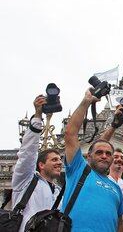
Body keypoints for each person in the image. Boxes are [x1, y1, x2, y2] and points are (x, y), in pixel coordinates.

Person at [63, 89, 123, 231]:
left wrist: (114, 126)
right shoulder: (78, 170)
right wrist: (86, 102)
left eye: (108, 154)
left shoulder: (116, 187)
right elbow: (70, 133)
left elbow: (120, 223)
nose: (104, 156)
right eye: (99, 152)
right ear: (88, 156)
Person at [11, 95, 63, 232]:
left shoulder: (59, 192)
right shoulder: (26, 180)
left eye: (60, 159)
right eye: (54, 159)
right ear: (41, 165)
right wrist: (38, 118)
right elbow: (27, 153)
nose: (59, 163)